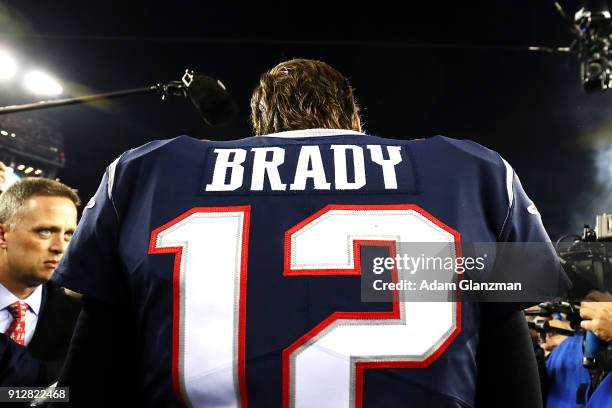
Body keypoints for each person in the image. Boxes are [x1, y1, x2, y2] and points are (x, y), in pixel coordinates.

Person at [52, 58, 569, 407]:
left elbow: (91, 377)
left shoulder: (144, 172)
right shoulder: (473, 172)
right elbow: (510, 364)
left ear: (258, 128)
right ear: (354, 118)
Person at [0, 178, 81, 386]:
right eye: (45, 231)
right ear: (3, 234)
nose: (60, 247)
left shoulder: (79, 318)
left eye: (69, 235)